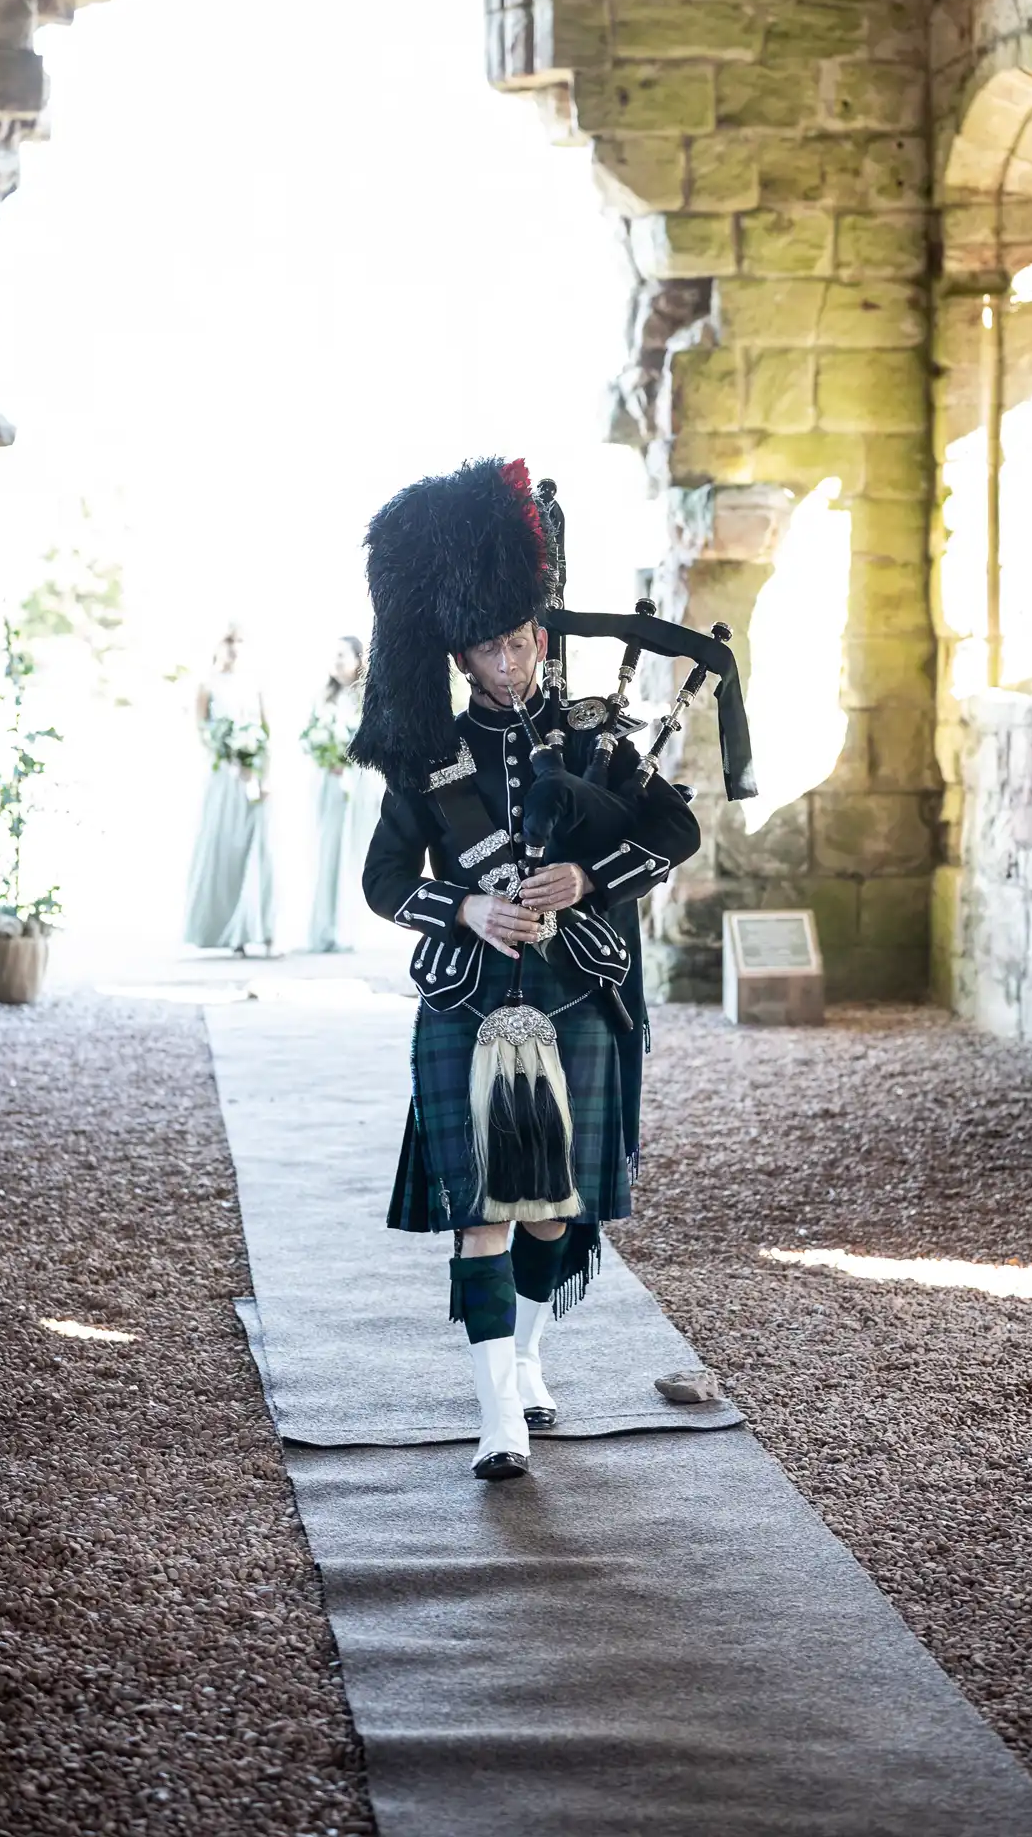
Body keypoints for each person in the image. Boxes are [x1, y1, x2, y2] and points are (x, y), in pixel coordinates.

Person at [351, 457, 701, 1482]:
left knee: (552, 1211)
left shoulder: (593, 740)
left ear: (539, 637)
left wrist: (586, 877)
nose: (504, 661)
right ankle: (495, 1410)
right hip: (467, 993)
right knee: (481, 1209)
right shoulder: (428, 755)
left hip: (576, 985)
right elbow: (381, 881)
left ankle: (531, 1346)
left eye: (517, 640)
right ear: (459, 654)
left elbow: (673, 829)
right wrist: (465, 902)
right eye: (485, 647)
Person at [183, 626, 276, 955]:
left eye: (239, 641)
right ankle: (218, 930)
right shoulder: (206, 684)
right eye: (228, 640)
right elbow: (201, 732)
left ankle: (257, 930)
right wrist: (229, 757)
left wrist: (263, 773)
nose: (234, 647)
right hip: (223, 775)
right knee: (224, 845)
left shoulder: (255, 683)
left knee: (256, 848)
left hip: (254, 775)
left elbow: (267, 730)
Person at [303, 635, 382, 953]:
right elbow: (309, 736)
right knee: (328, 850)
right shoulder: (323, 696)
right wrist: (327, 755)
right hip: (330, 781)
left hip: (361, 781)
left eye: (342, 655)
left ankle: (352, 925)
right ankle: (324, 925)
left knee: (356, 848)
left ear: (358, 659)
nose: (336, 662)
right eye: (333, 656)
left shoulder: (368, 696)